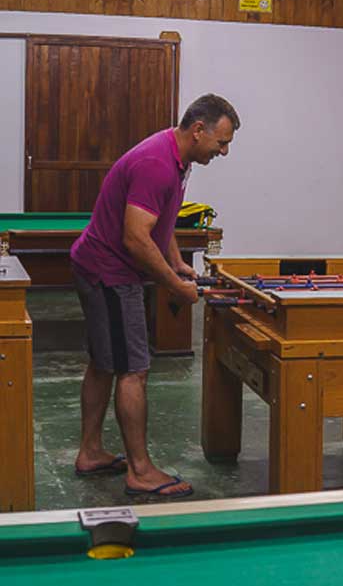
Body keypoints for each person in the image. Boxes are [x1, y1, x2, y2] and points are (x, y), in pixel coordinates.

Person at [70, 94, 241, 497]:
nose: (224, 151)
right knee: (134, 370)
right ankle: (140, 471)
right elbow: (135, 238)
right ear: (198, 130)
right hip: (109, 273)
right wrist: (175, 286)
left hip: (99, 265)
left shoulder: (177, 157)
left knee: (104, 363)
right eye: (221, 142)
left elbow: (159, 220)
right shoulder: (156, 164)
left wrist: (176, 262)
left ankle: (90, 452)